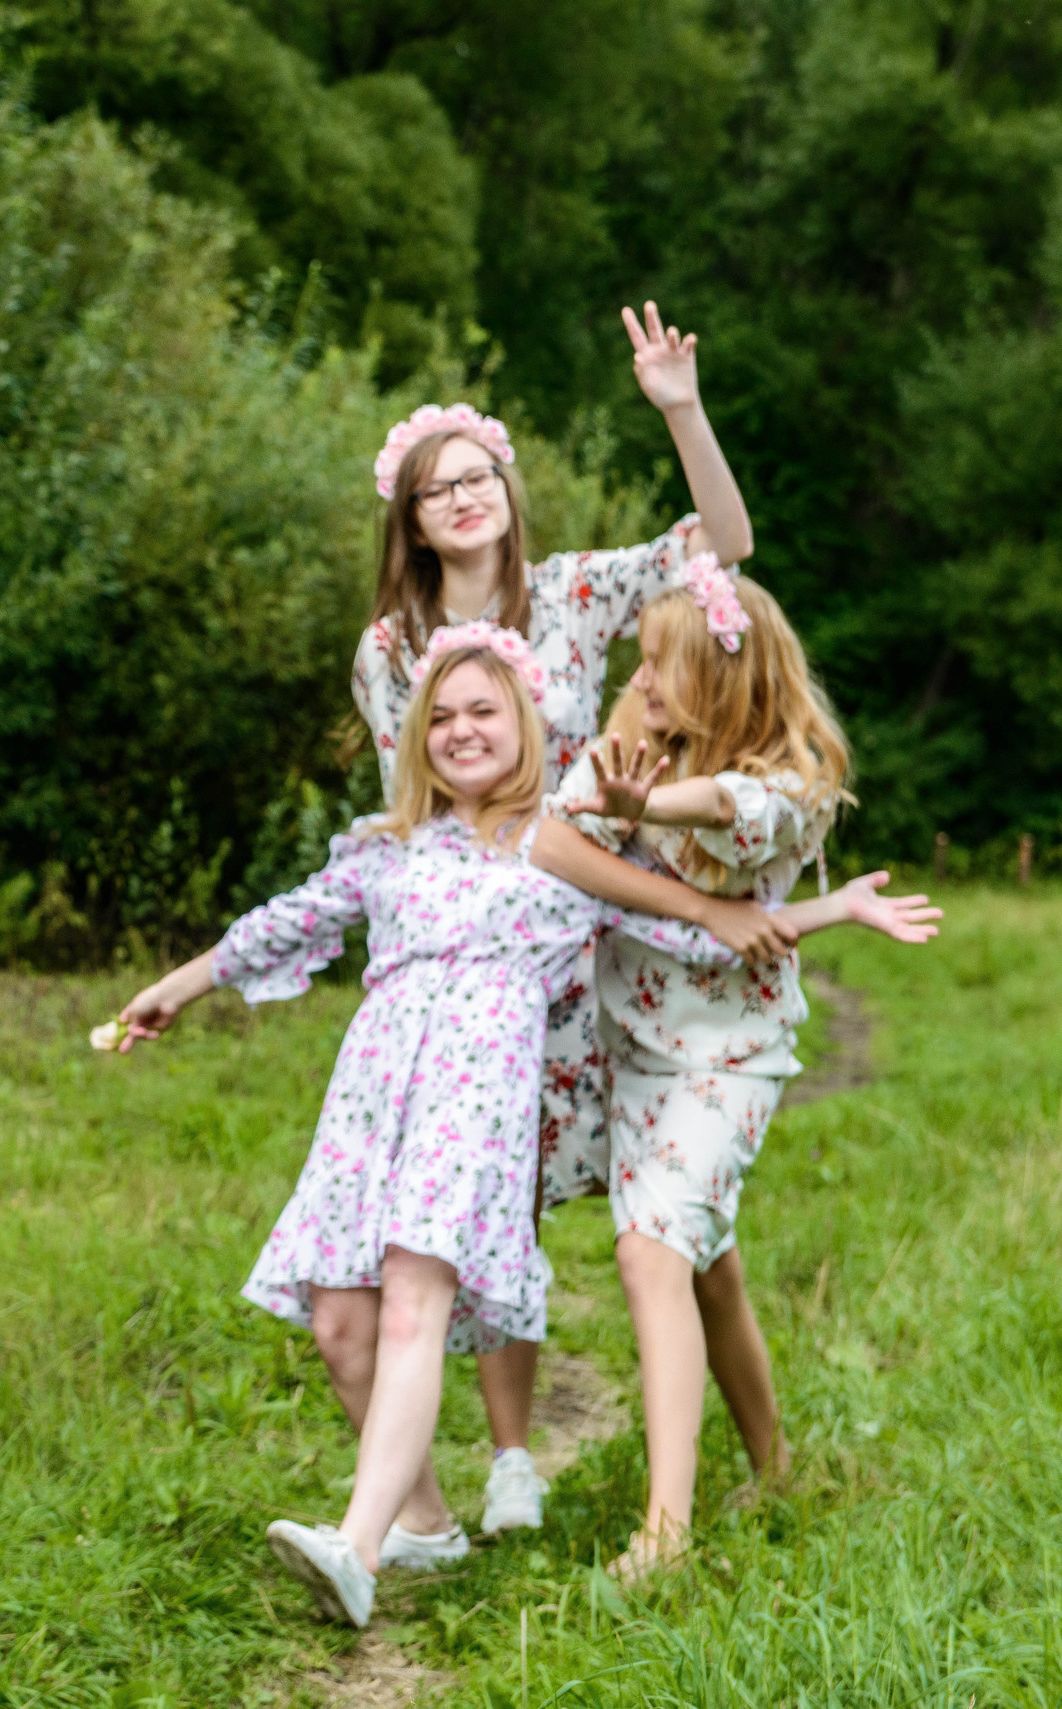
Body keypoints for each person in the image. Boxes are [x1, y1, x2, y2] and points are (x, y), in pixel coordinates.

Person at [108, 626, 908, 1628]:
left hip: (474, 1115)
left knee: (410, 1301)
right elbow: (288, 920)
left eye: (482, 709)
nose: (459, 729)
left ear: (524, 724)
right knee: (340, 1323)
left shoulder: (559, 850)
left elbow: (686, 920)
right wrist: (176, 988)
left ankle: (355, 1547)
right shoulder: (384, 846)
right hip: (372, 1107)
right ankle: (427, 1525)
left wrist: (831, 909)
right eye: (438, 715)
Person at [350, 306, 776, 1535]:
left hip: (626, 934)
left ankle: (763, 1458)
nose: (463, 498)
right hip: (488, 956)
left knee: (680, 1217)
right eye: (437, 489)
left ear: (506, 490)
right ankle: (510, 1457)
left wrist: (678, 408)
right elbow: (410, 803)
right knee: (488, 1190)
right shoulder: (390, 648)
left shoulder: (585, 589)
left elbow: (728, 546)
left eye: (477, 475)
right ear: (413, 520)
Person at [551, 563, 937, 1581]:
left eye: (661, 669)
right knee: (705, 1265)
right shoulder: (649, 735)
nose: (642, 685)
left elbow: (725, 808)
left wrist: (640, 796)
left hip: (725, 1061)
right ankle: (772, 1467)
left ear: (723, 682)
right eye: (639, 669)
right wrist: (632, 716)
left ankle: (663, 1533)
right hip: (631, 1049)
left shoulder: (788, 785)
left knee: (649, 1254)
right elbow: (562, 823)